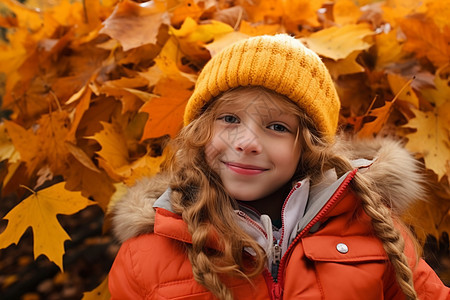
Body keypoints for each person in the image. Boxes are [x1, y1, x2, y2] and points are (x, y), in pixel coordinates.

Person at [107, 34, 449, 300]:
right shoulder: (145, 256)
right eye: (229, 119)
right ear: (200, 131)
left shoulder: (370, 227)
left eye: (277, 127)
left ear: (309, 147)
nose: (246, 142)